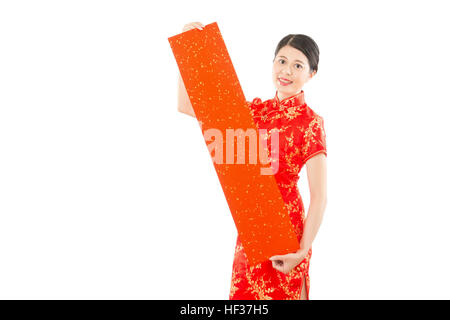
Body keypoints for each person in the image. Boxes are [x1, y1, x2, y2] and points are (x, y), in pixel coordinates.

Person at [177, 22, 327, 300]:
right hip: (251, 225)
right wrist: (188, 48)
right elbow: (187, 105)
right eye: (282, 61)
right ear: (272, 63)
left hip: (288, 230)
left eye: (298, 65)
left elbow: (319, 196)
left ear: (311, 73)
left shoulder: (311, 123)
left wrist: (303, 250)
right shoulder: (253, 113)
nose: (286, 71)